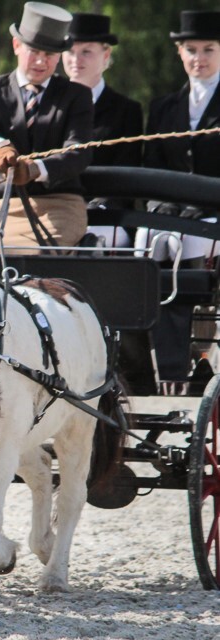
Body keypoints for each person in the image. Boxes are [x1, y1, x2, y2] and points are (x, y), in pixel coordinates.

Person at [0, 2, 93, 254]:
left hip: (61, 203)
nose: (40, 61)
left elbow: (79, 151)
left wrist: (37, 169)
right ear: (16, 46)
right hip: (4, 202)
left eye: (49, 55)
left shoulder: (77, 95)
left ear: (59, 57)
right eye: (34, 51)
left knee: (41, 258)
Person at [138, 10, 220, 387]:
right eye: (191, 49)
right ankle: (165, 368)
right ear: (179, 52)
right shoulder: (163, 108)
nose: (199, 58)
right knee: (153, 242)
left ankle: (201, 357)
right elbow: (150, 170)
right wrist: (159, 210)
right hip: (170, 216)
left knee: (190, 242)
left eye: (208, 49)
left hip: (212, 213)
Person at [63, 12, 143, 248]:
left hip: (107, 215)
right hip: (58, 208)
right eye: (70, 51)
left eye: (86, 51)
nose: (76, 59)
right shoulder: (50, 105)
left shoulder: (126, 110)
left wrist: (96, 206)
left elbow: (127, 172)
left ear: (105, 54)